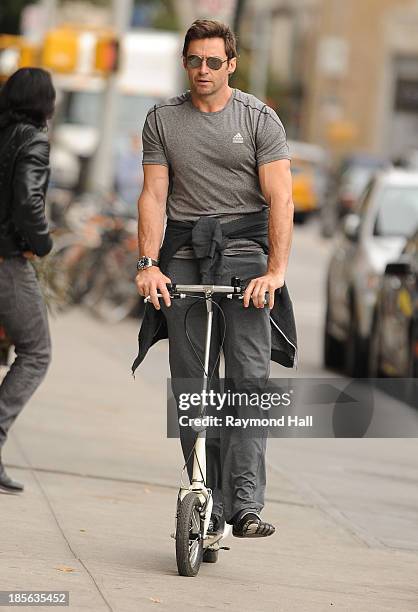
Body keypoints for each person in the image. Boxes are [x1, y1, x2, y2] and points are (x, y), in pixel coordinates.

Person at [133, 19, 297, 538]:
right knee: (193, 386)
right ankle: (205, 494)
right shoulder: (162, 119)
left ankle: (245, 505)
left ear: (231, 64)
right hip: (183, 251)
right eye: (194, 61)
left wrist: (275, 272)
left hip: (246, 253)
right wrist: (148, 264)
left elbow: (282, 198)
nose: (202, 70)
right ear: (185, 63)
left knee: (247, 382)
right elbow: (154, 196)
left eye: (212, 61)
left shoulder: (259, 119)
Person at [0, 67, 55, 492]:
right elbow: (27, 200)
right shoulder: (32, 140)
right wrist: (43, 243)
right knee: (36, 350)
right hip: (5, 259)